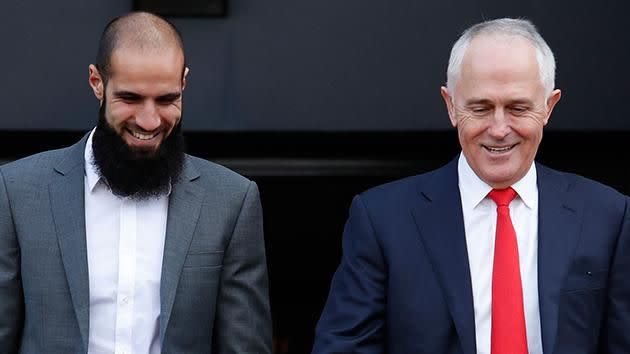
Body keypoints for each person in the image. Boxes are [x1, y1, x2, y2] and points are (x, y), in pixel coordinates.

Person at [312, 18, 630, 354]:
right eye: (480, 108)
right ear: (450, 106)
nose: (498, 128)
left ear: (548, 107)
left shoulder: (608, 216)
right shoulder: (382, 220)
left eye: (518, 108)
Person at [0, 12, 271, 354]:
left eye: (167, 99)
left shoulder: (232, 201)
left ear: (184, 83)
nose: (149, 120)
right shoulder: (17, 192)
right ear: (97, 83)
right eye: (130, 98)